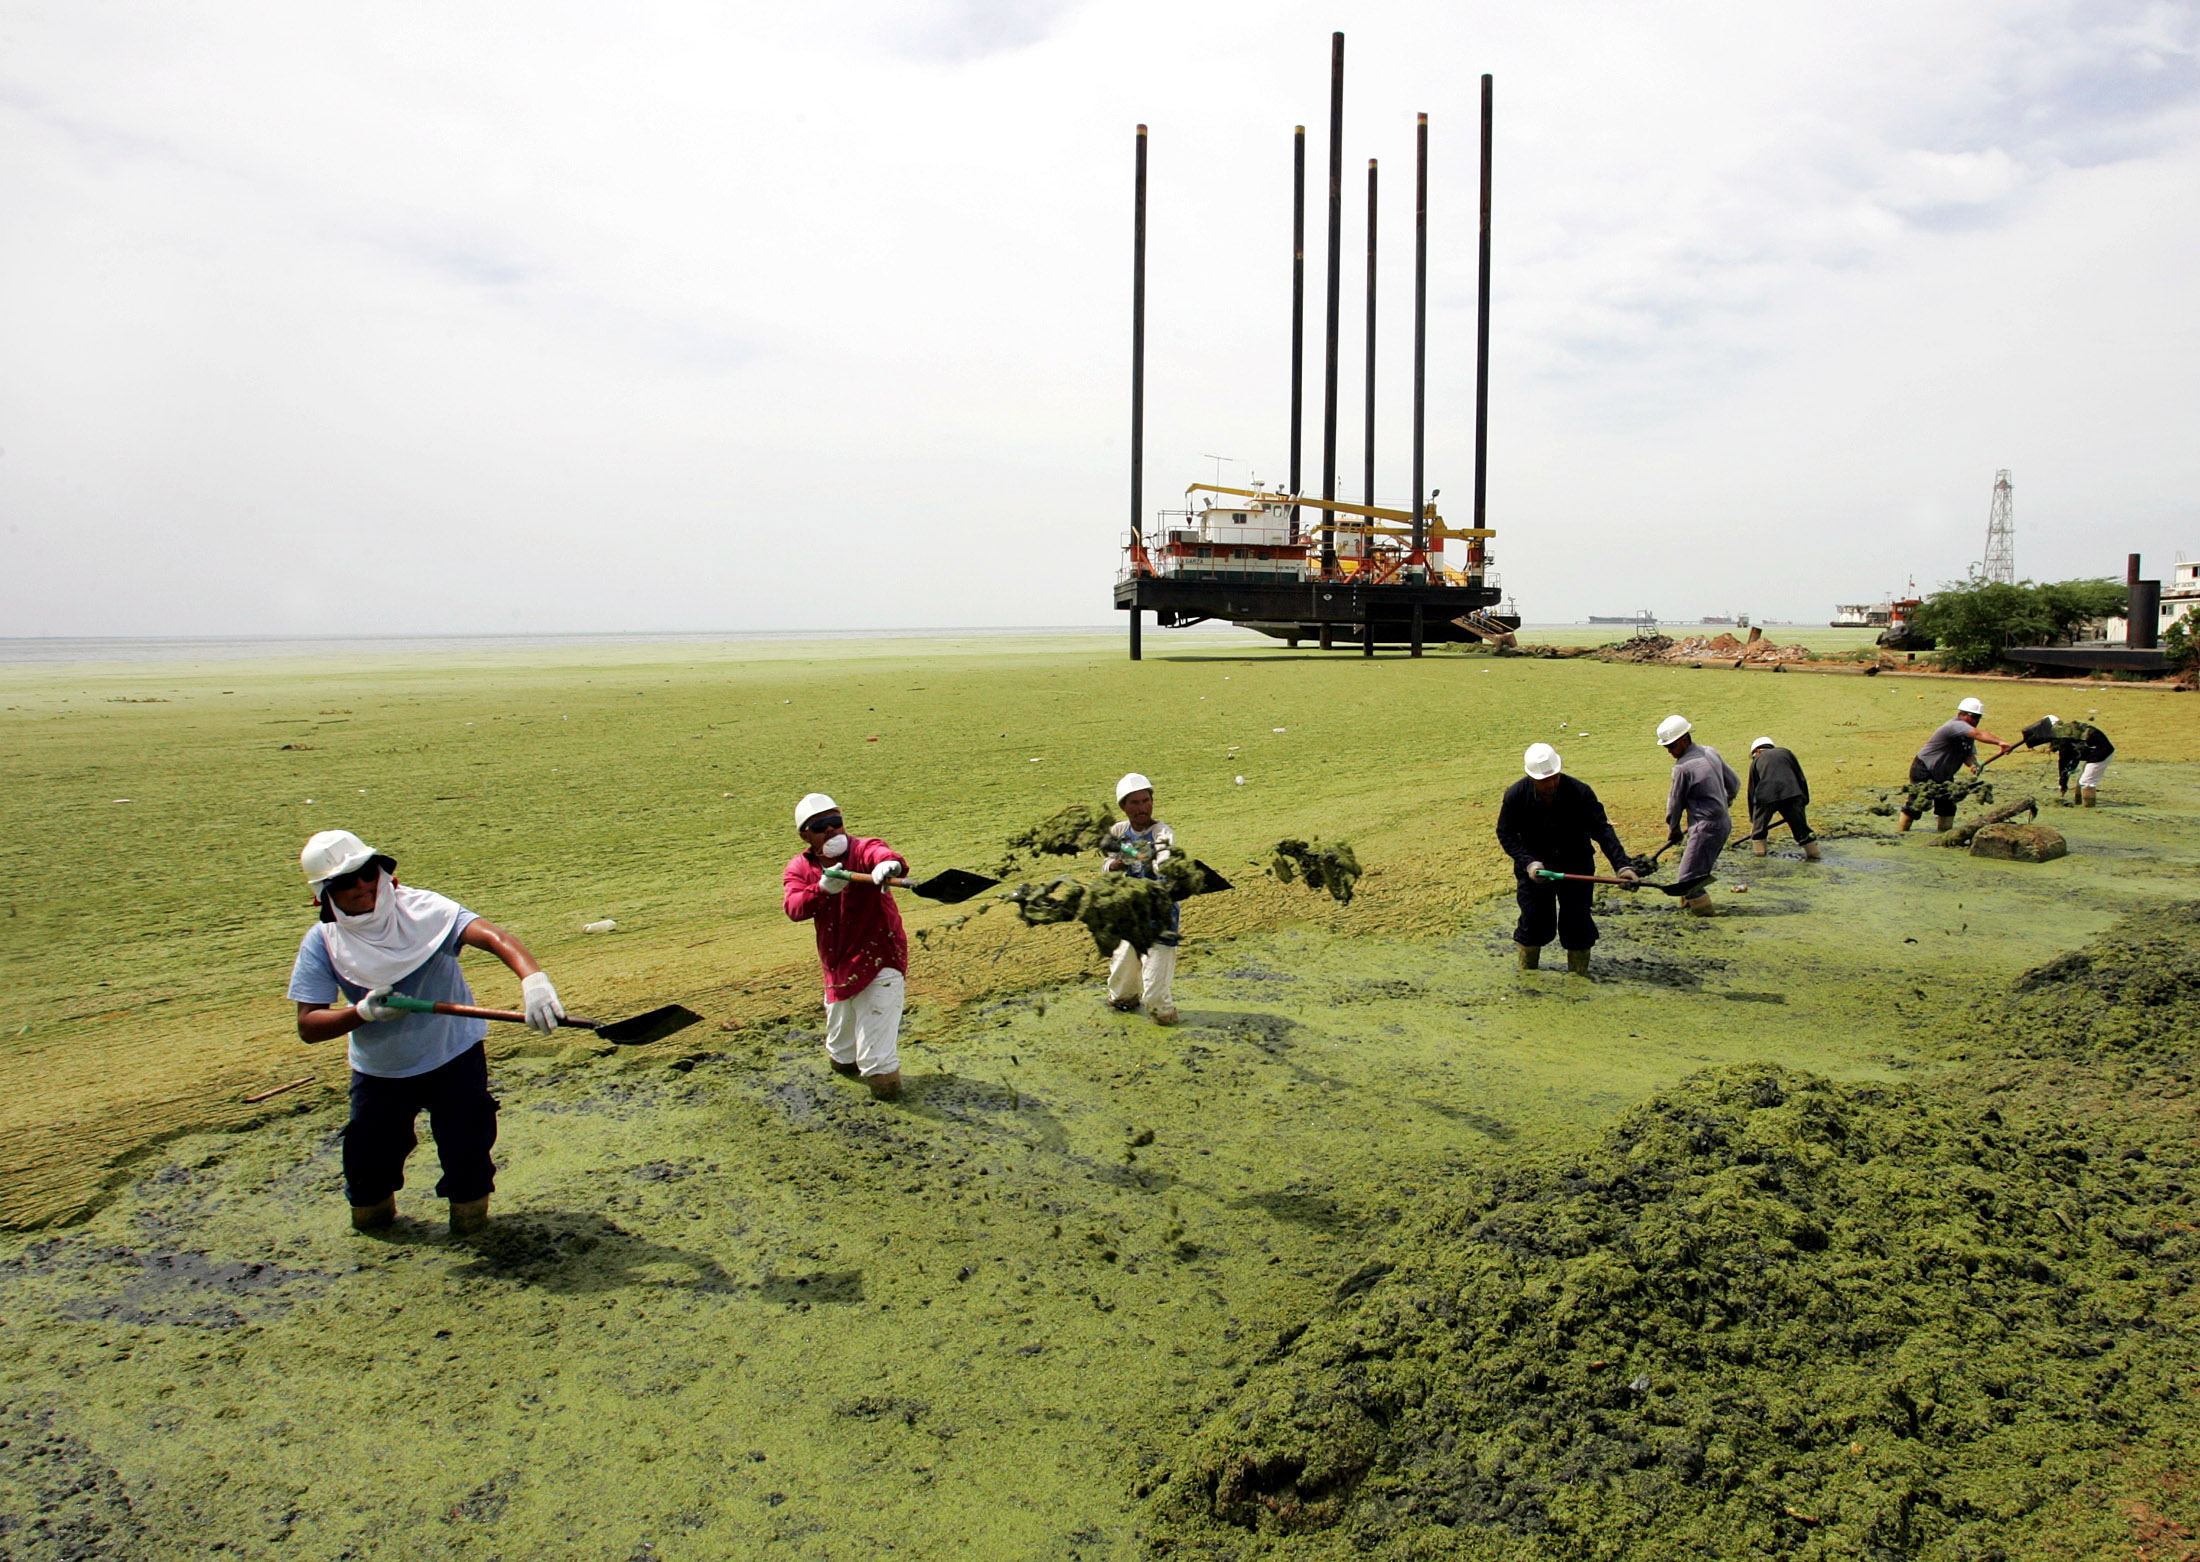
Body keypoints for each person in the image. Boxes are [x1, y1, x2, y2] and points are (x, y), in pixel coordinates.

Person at [287, 830, 565, 1236]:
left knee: (467, 1158)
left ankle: (472, 1230)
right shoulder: (323, 943)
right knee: (368, 1169)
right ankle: (374, 1234)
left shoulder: (426, 910)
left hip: (455, 1059)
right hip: (379, 1074)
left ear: (384, 873)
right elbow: (308, 1026)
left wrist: (533, 980)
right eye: (346, 882)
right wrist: (361, 1013)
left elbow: (494, 937)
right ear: (323, 895)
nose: (362, 886)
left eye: (368, 873)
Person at [783, 793, 908, 1100]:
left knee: (876, 1060)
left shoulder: (863, 849)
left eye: (835, 822)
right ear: (805, 834)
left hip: (880, 958)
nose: (831, 831)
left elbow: (884, 855)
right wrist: (822, 890)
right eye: (821, 825)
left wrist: (889, 866)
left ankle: (890, 1102)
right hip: (838, 967)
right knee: (841, 1052)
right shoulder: (799, 868)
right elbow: (794, 907)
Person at [1494, 743, 1636, 973]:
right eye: (1544, 781)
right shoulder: (1516, 796)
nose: (1551, 785)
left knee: (1577, 925)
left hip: (1575, 865)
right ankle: (1528, 973)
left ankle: (1579, 976)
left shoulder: (1580, 792)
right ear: (1531, 778)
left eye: (1554, 777)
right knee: (1533, 923)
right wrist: (1528, 862)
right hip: (1535, 870)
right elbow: (1506, 833)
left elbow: (1602, 830)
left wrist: (1622, 866)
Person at [1102, 773, 1180, 1024]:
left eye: (1146, 801)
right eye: (1134, 803)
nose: (1142, 808)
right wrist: (1115, 864)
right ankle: (1123, 1005)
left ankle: (1167, 1020)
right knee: (1120, 986)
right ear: (1123, 807)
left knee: (1156, 996)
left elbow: (1163, 858)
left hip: (1161, 919)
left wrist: (1162, 866)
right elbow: (1107, 862)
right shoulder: (1119, 832)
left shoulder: (1162, 832)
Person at [1657, 715, 1740, 916]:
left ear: (1685, 740)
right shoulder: (1710, 752)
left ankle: (1706, 919)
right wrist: (1722, 804)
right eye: (1666, 748)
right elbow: (1735, 784)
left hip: (1706, 827)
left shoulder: (1682, 768)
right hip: (1723, 822)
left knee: (1688, 878)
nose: (1669, 751)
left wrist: (1674, 828)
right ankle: (1687, 910)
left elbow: (1675, 803)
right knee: (1697, 872)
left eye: (1672, 746)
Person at [1897, 696, 2011, 832]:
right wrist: (2000, 742)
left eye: (1979, 717)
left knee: (1948, 806)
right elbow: (1978, 734)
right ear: (1962, 714)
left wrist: (1974, 764)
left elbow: (1967, 755)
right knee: (1916, 805)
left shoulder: (1967, 734)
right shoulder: (1955, 725)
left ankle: (1943, 837)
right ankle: (1901, 833)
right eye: (1974, 716)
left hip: (1944, 774)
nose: (1976, 720)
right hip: (1924, 769)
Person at [1745, 736, 1820, 859]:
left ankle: (1759, 860)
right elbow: (1800, 777)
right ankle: (1815, 855)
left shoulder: (1757, 761)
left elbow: (1752, 791)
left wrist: (1754, 821)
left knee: (1758, 832)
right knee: (1802, 831)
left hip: (1766, 797)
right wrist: (1803, 802)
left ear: (1757, 751)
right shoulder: (1786, 753)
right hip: (1793, 794)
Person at [2022, 713, 2114, 807]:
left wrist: (2063, 784)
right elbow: (2067, 762)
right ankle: (2078, 803)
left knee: (2087, 783)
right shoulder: (2069, 734)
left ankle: (2089, 809)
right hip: (2095, 751)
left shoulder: (2066, 735)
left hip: (2102, 752)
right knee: (2081, 782)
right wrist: (2063, 784)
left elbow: (2066, 762)